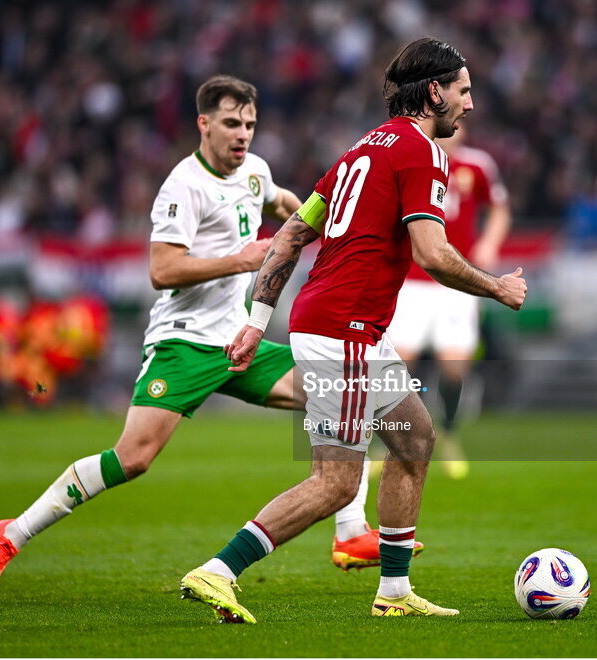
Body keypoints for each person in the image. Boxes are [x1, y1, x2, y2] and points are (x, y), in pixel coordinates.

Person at [180, 38, 527, 623]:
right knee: (337, 483)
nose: (470, 105)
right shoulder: (423, 153)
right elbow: (433, 254)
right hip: (343, 330)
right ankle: (217, 571)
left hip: (348, 328)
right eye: (464, 91)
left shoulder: (359, 151)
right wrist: (496, 286)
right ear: (435, 91)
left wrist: (255, 322)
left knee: (414, 440)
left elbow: (291, 235)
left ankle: (393, 594)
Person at [0, 75, 313, 594]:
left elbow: (286, 202)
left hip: (236, 340)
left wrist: (328, 223)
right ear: (203, 124)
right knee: (132, 459)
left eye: (249, 124)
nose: (242, 134)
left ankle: (350, 531)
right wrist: (238, 260)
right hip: (183, 342)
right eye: (230, 124)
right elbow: (162, 269)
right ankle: (9, 535)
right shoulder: (183, 185)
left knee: (334, 393)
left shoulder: (256, 172)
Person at [385, 128, 512, 479]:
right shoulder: (412, 163)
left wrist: (489, 243)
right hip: (413, 281)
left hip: (457, 282)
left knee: (455, 366)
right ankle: (392, 443)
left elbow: (500, 210)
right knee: (400, 363)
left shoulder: (477, 165)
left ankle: (450, 434)